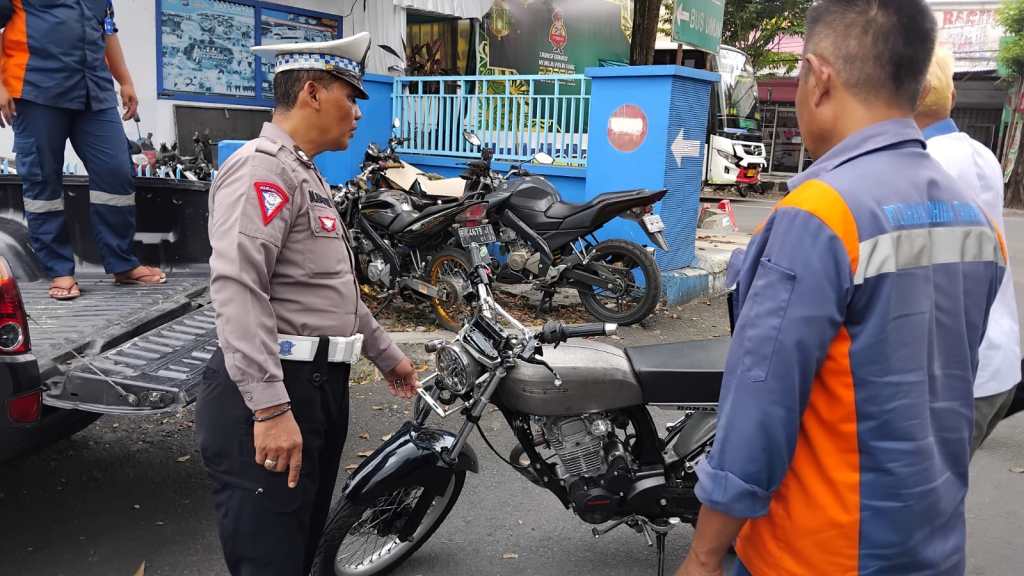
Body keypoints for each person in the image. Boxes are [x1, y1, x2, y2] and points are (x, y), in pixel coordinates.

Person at [675, 1, 1006, 575]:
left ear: (818, 78)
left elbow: (760, 406)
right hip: (932, 543)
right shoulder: (970, 218)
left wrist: (704, 556)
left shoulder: (819, 214)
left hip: (818, 552)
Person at [197, 32, 420, 576]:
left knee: (300, 548)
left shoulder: (303, 173)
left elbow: (333, 290)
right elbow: (238, 288)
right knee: (270, 555)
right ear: (314, 94)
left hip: (317, 384)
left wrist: (386, 353)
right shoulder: (262, 169)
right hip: (276, 385)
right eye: (352, 97)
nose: (357, 114)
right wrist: (271, 408)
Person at [0, 0, 164, 300]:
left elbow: (108, 33)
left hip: (95, 93)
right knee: (42, 181)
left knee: (116, 171)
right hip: (37, 90)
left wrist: (125, 80)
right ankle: (60, 270)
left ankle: (122, 264)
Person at [914, 46, 1021, 456]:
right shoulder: (981, 155)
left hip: (955, 374)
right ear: (951, 98)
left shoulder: (920, 163)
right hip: (998, 362)